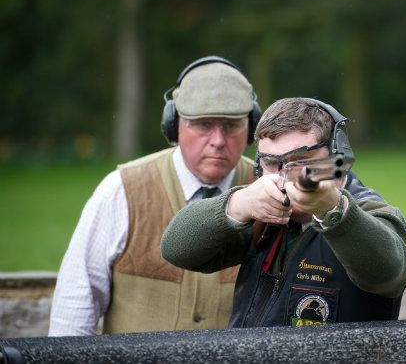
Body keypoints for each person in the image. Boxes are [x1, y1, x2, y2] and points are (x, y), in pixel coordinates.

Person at [49, 56, 261, 336]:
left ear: (251, 128)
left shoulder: (267, 189)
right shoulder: (122, 189)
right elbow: (77, 299)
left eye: (232, 125)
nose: (218, 140)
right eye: (204, 124)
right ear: (174, 126)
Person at [161, 97, 406, 327]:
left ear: (338, 156)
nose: (285, 174)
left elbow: (390, 273)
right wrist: (238, 204)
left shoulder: (368, 210)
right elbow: (176, 249)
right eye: (272, 163)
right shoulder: (263, 214)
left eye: (301, 160)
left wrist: (333, 211)